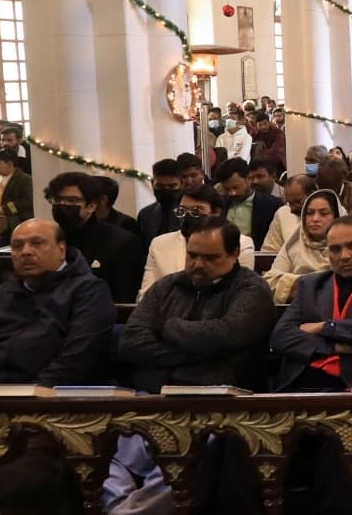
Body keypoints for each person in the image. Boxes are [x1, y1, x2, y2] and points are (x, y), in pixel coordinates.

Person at [208, 219, 352, 515]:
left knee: (339, 432)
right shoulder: (311, 286)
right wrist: (338, 345)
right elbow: (281, 337)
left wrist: (323, 327)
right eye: (335, 249)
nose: (343, 255)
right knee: (240, 435)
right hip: (300, 385)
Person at [118, 218, 277, 393]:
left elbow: (226, 336)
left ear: (234, 254)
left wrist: (165, 327)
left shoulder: (252, 289)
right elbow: (130, 342)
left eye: (211, 258)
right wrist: (201, 355)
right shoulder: (167, 286)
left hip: (223, 400)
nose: (198, 264)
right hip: (150, 394)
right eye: (192, 255)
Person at [0, 220, 115, 385]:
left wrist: (29, 392)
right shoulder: (3, 293)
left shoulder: (89, 291)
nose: (25, 252)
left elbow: (76, 360)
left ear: (61, 249)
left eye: (37, 243)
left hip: (53, 396)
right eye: (17, 246)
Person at [43, 172, 146, 303]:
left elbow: (125, 299)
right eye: (57, 200)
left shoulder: (122, 242)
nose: (62, 205)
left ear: (91, 206)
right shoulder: (48, 239)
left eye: (72, 201)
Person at [140, 187, 256, 296]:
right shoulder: (159, 244)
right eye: (182, 211)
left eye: (196, 211)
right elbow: (146, 293)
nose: (188, 216)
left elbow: (240, 290)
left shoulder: (240, 243)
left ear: (216, 212)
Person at [215, 158, 282, 249]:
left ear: (248, 179)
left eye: (236, 187)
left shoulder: (272, 205)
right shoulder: (219, 204)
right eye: (227, 189)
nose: (232, 193)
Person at [137, 159, 184, 243]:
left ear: (182, 183)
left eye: (172, 186)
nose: (166, 190)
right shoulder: (145, 215)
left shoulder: (191, 214)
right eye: (160, 186)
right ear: (152, 183)